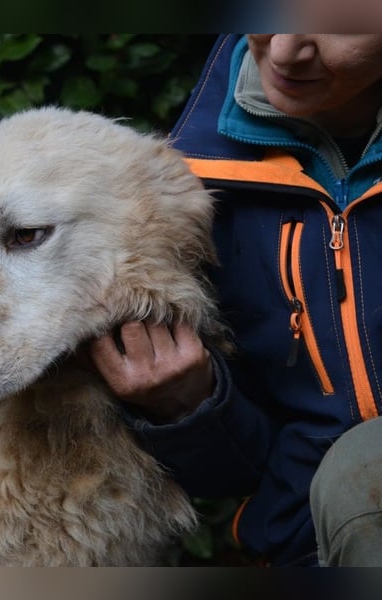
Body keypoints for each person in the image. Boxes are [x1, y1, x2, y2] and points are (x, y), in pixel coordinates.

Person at [90, 34, 382, 566]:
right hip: (310, 547)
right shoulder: (182, 196)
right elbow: (241, 473)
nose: (287, 47)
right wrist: (188, 404)